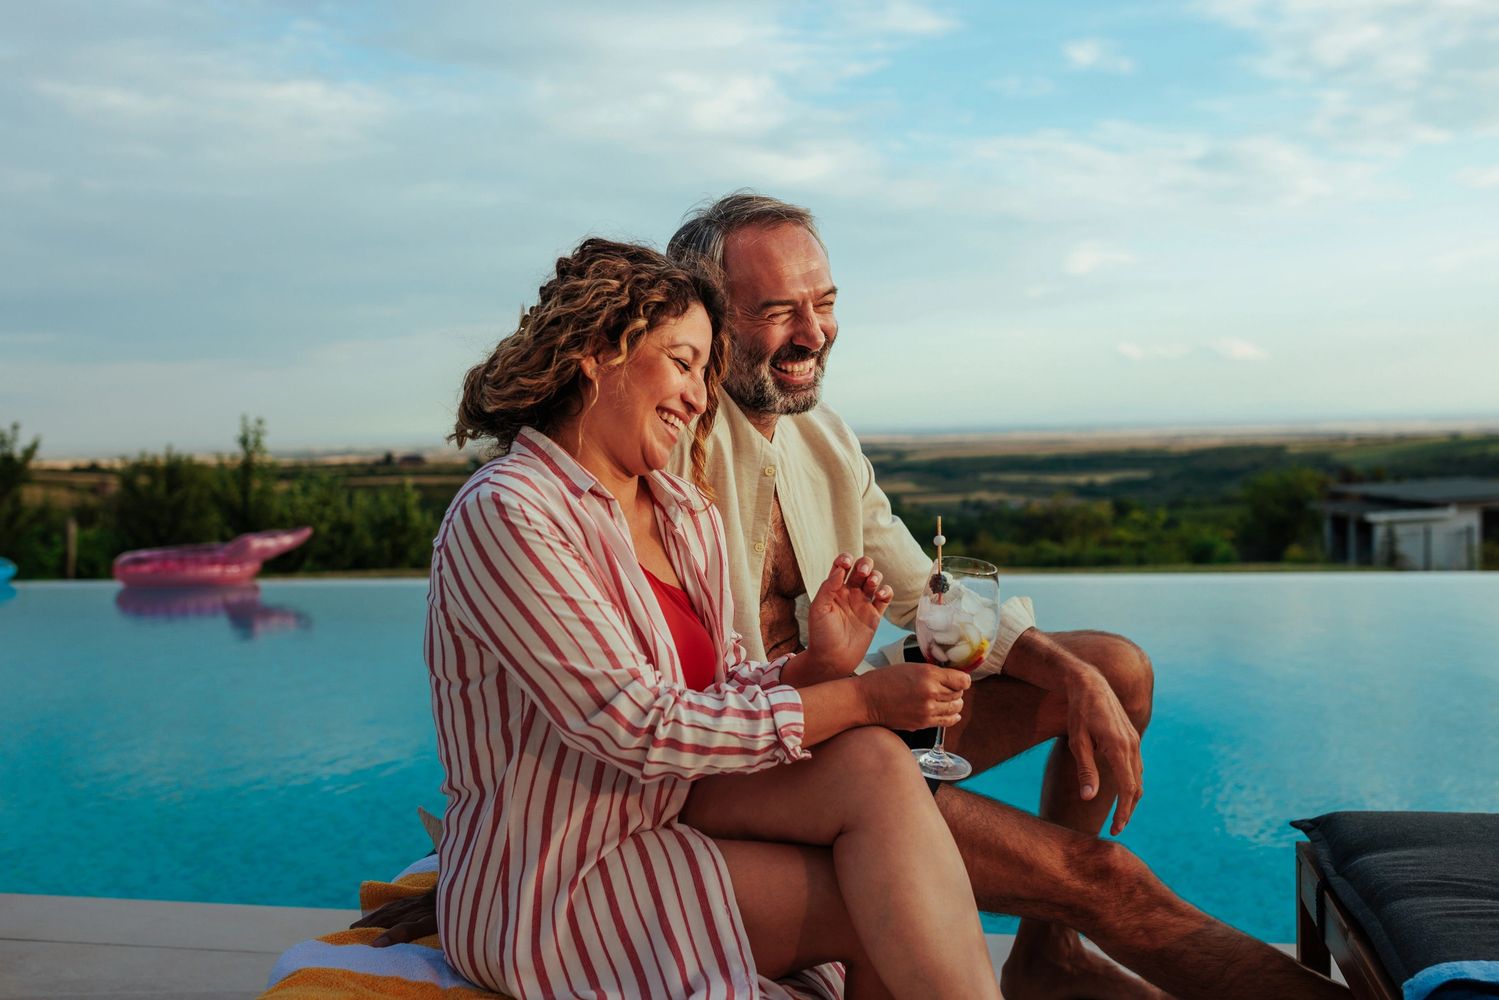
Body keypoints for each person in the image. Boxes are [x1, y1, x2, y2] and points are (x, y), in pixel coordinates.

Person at [365, 200, 1350, 1000]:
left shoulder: (807, 440)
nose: (811, 332)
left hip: (800, 725)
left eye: (822, 301)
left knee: (1109, 668)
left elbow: (925, 593)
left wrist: (1055, 671)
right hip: (726, 770)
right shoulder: (635, 464)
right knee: (1097, 877)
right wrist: (859, 698)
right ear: (692, 323)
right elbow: (625, 717)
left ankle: (1042, 959)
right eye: (774, 312)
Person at [425, 237, 1000, 999]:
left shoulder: (680, 510)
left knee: (874, 763)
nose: (700, 397)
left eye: (705, 371)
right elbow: (633, 723)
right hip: (555, 875)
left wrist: (811, 668)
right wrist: (856, 697)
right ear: (598, 354)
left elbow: (722, 680)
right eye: (683, 362)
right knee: (884, 908)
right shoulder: (509, 512)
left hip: (668, 815)